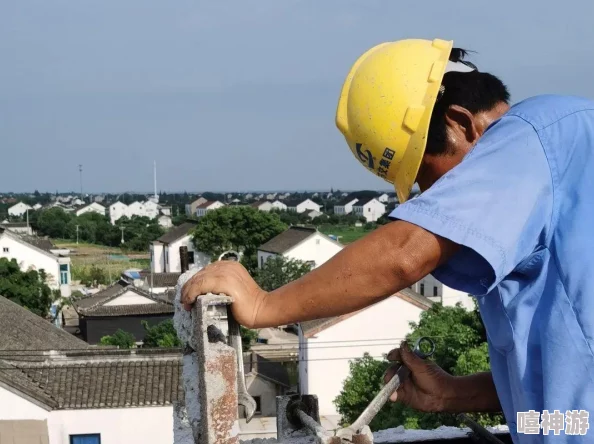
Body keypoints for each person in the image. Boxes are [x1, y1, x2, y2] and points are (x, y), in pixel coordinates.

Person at [182, 38, 594, 443]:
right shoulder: (536, 211)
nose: (431, 200)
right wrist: (453, 393)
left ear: (463, 123)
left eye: (425, 176)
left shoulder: (537, 131)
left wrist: (263, 304)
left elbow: (404, 253)